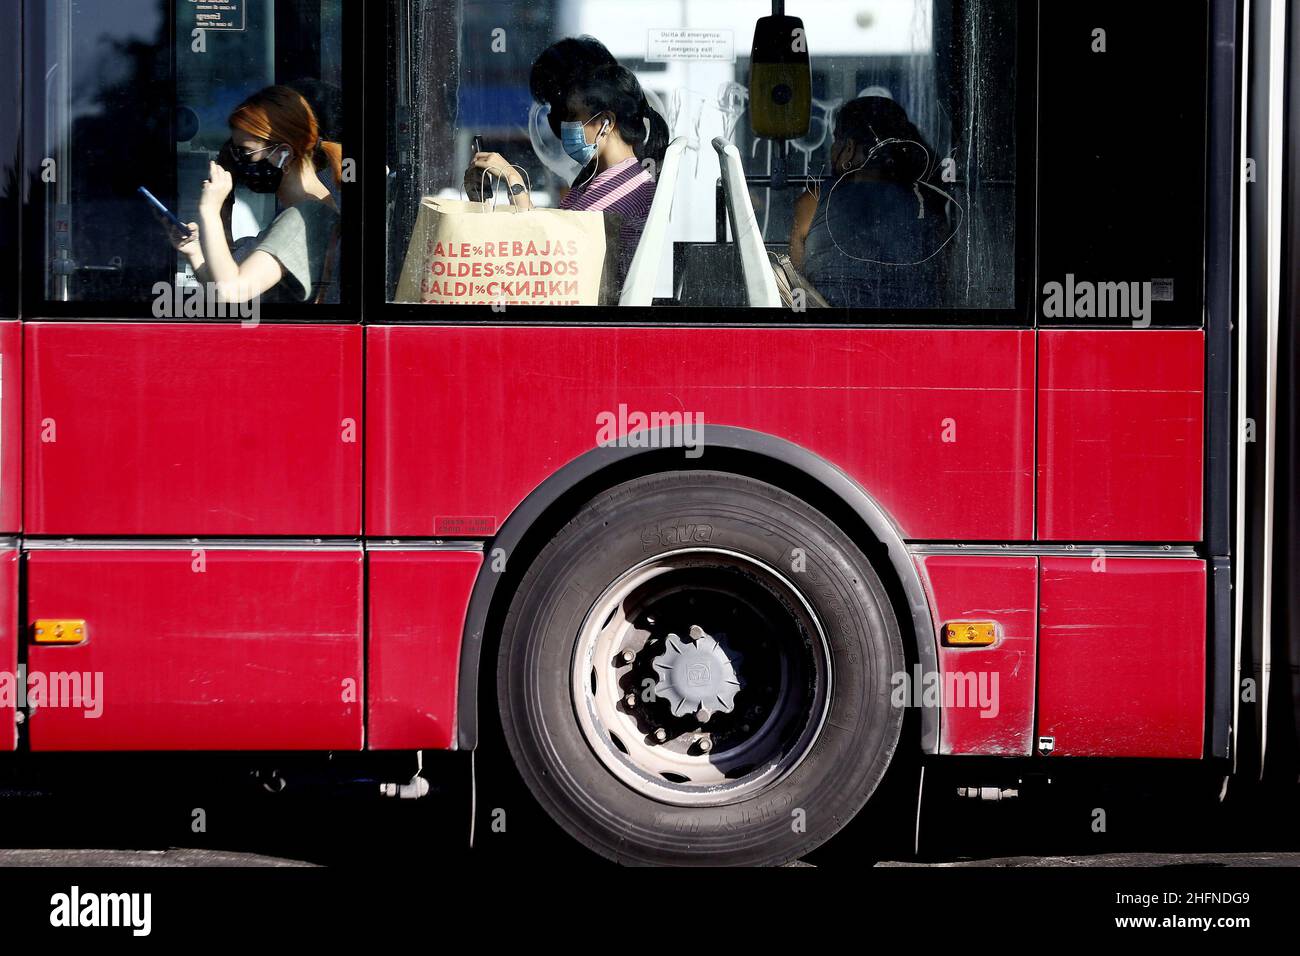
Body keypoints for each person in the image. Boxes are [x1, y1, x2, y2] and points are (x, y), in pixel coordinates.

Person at [464, 39, 668, 290]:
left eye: (572, 115)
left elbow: (549, 261)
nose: (564, 125)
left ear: (605, 122)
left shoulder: (620, 191)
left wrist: (514, 181)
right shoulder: (606, 180)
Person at [174, 85, 342, 305]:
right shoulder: (314, 209)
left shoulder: (303, 217)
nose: (239, 162)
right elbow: (220, 291)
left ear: (284, 154)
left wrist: (210, 210)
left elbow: (231, 292)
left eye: (245, 152)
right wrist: (194, 251)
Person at [790, 95, 951, 309]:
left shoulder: (812, 203)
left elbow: (797, 286)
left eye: (835, 139)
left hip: (833, 334)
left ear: (849, 148)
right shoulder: (928, 203)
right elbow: (942, 282)